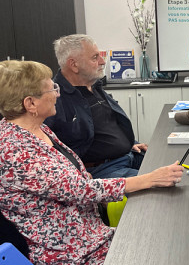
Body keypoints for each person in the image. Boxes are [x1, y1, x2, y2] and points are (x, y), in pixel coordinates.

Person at [0, 60, 184, 265]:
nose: (58, 94)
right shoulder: (16, 149)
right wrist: (149, 179)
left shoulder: (39, 129)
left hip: (86, 235)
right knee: (165, 251)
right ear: (30, 103)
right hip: (68, 257)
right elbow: (79, 189)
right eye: (52, 89)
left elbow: (75, 177)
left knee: (162, 231)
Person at [44, 34, 145, 179]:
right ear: (73, 64)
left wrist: (130, 143)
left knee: (175, 168)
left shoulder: (94, 86)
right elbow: (48, 148)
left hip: (128, 155)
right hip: (102, 169)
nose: (102, 62)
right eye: (95, 57)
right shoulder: (55, 99)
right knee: (159, 189)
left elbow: (108, 125)